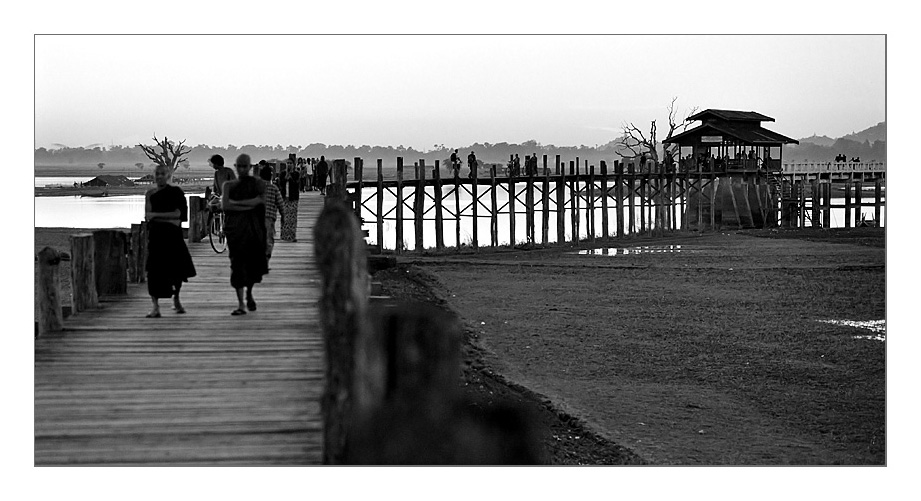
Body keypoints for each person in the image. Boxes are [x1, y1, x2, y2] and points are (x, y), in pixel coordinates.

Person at [144, 164, 196, 318]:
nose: (159, 177)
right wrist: (164, 217)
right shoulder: (150, 194)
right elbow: (148, 215)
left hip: (173, 236)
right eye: (157, 174)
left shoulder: (176, 192)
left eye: (162, 174)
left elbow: (178, 215)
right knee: (153, 272)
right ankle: (155, 306)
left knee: (177, 270)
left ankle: (177, 299)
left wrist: (157, 216)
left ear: (168, 176)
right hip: (156, 236)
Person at [221, 154, 268, 316]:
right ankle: (241, 304)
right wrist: (248, 205)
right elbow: (225, 205)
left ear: (249, 167)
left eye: (244, 166)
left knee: (253, 265)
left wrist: (236, 205)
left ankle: (249, 293)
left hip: (254, 231)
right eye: (239, 166)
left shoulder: (258, 183)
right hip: (235, 231)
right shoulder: (229, 186)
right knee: (237, 265)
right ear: (235, 166)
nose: (241, 169)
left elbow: (260, 202)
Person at [259, 165, 285, 262]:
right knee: (268, 239)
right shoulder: (274, 188)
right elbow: (280, 203)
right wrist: (283, 215)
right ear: (271, 176)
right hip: (269, 217)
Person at [281, 163, 300, 242]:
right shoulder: (282, 173)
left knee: (292, 218)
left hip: (293, 198)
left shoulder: (296, 174)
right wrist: (285, 178)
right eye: (287, 163)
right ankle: (284, 235)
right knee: (285, 217)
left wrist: (291, 178)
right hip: (285, 198)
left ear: (293, 165)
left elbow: (297, 185)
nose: (289, 165)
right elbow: (280, 184)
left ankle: (292, 235)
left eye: (290, 163)